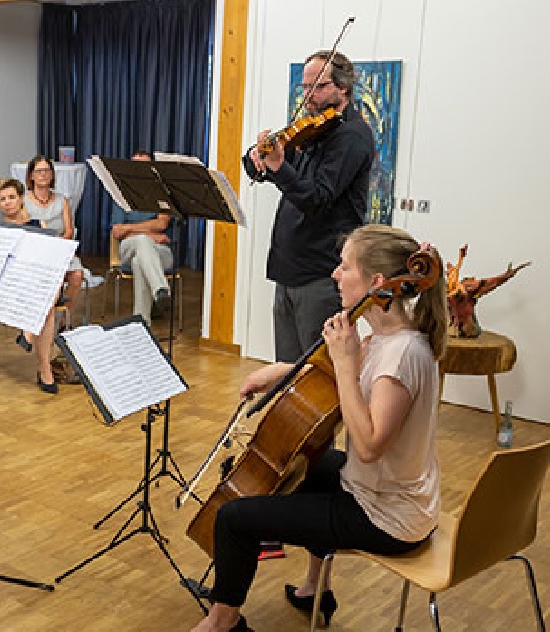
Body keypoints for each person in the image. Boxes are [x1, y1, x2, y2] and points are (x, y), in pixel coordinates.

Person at [190, 225, 447, 632]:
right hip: (389, 493)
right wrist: (280, 372)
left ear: (376, 283)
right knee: (309, 461)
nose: (335, 274)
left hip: (386, 517)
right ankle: (315, 588)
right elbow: (330, 375)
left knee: (235, 518)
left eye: (345, 266)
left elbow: (369, 447)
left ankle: (223, 622)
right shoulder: (387, 338)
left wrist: (344, 363)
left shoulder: (400, 357)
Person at [243, 50, 373, 364]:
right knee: (287, 371)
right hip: (289, 269)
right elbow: (272, 173)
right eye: (305, 87)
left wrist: (279, 168)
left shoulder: (352, 137)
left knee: (316, 373)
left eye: (319, 87)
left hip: (321, 274)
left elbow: (317, 198)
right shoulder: (313, 130)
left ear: (343, 88)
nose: (308, 95)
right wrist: (256, 157)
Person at [0, 177, 59, 393]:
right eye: (2, 199)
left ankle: (29, 333)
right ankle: (45, 371)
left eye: (11, 197)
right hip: (11, 283)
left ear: (21, 198)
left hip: (38, 280)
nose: (7, 202)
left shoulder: (39, 225)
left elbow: (49, 257)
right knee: (47, 307)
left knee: (50, 284)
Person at [109, 151, 173, 325]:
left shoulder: (161, 194)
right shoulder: (121, 195)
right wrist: (148, 234)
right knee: (143, 242)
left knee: (139, 262)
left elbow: (162, 223)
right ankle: (160, 288)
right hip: (128, 248)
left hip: (160, 251)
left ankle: (142, 322)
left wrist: (129, 228)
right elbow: (117, 231)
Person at [24, 154, 85, 324]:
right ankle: (42, 321)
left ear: (52, 175)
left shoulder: (62, 200)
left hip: (60, 249)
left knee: (77, 275)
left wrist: (57, 247)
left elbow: (69, 231)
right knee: (51, 278)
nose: (43, 174)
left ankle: (65, 322)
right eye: (39, 171)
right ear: (31, 175)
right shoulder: (24, 201)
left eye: (47, 170)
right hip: (36, 252)